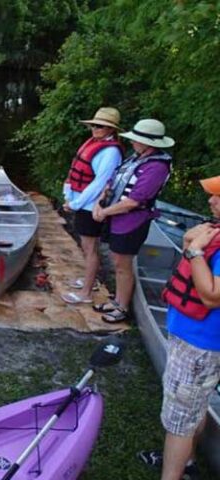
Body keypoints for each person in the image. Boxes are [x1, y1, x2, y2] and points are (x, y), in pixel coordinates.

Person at [137, 175, 220, 480]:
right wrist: (189, 243)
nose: (210, 201)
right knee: (190, 411)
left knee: (179, 421)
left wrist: (194, 251)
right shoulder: (215, 232)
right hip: (191, 339)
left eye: (217, 197)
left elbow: (212, 295)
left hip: (200, 346)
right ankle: (187, 463)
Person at [92, 118, 173, 323]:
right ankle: (117, 300)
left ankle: (122, 307)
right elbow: (112, 181)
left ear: (149, 143)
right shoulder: (135, 158)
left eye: (136, 139)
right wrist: (99, 203)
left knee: (123, 264)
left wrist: (104, 212)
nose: (132, 142)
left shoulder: (156, 167)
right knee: (117, 261)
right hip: (116, 218)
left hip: (132, 222)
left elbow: (134, 201)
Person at [61, 108, 123, 304]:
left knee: (90, 249)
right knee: (87, 246)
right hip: (81, 203)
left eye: (100, 126)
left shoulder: (111, 152)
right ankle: (90, 280)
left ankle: (86, 293)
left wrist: (76, 203)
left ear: (111, 130)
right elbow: (75, 174)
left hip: (90, 207)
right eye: (93, 125)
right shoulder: (94, 144)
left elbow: (100, 184)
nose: (95, 129)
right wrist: (68, 196)